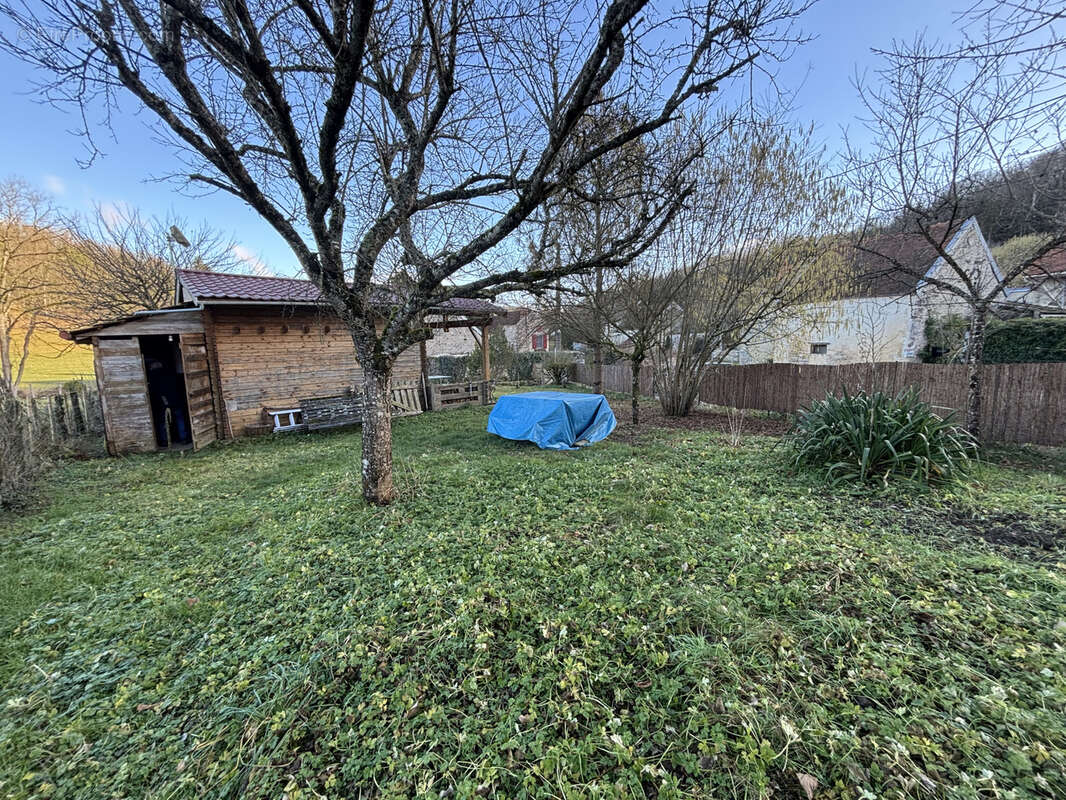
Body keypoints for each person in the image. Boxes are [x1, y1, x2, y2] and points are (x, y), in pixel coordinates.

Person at [146, 357, 190, 446]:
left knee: (163, 421)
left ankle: (164, 440)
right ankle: (183, 438)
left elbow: (155, 390)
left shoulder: (153, 376)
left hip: (162, 402)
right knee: (179, 419)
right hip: (176, 400)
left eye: (151, 366)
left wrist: (164, 401)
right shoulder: (170, 373)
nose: (150, 367)